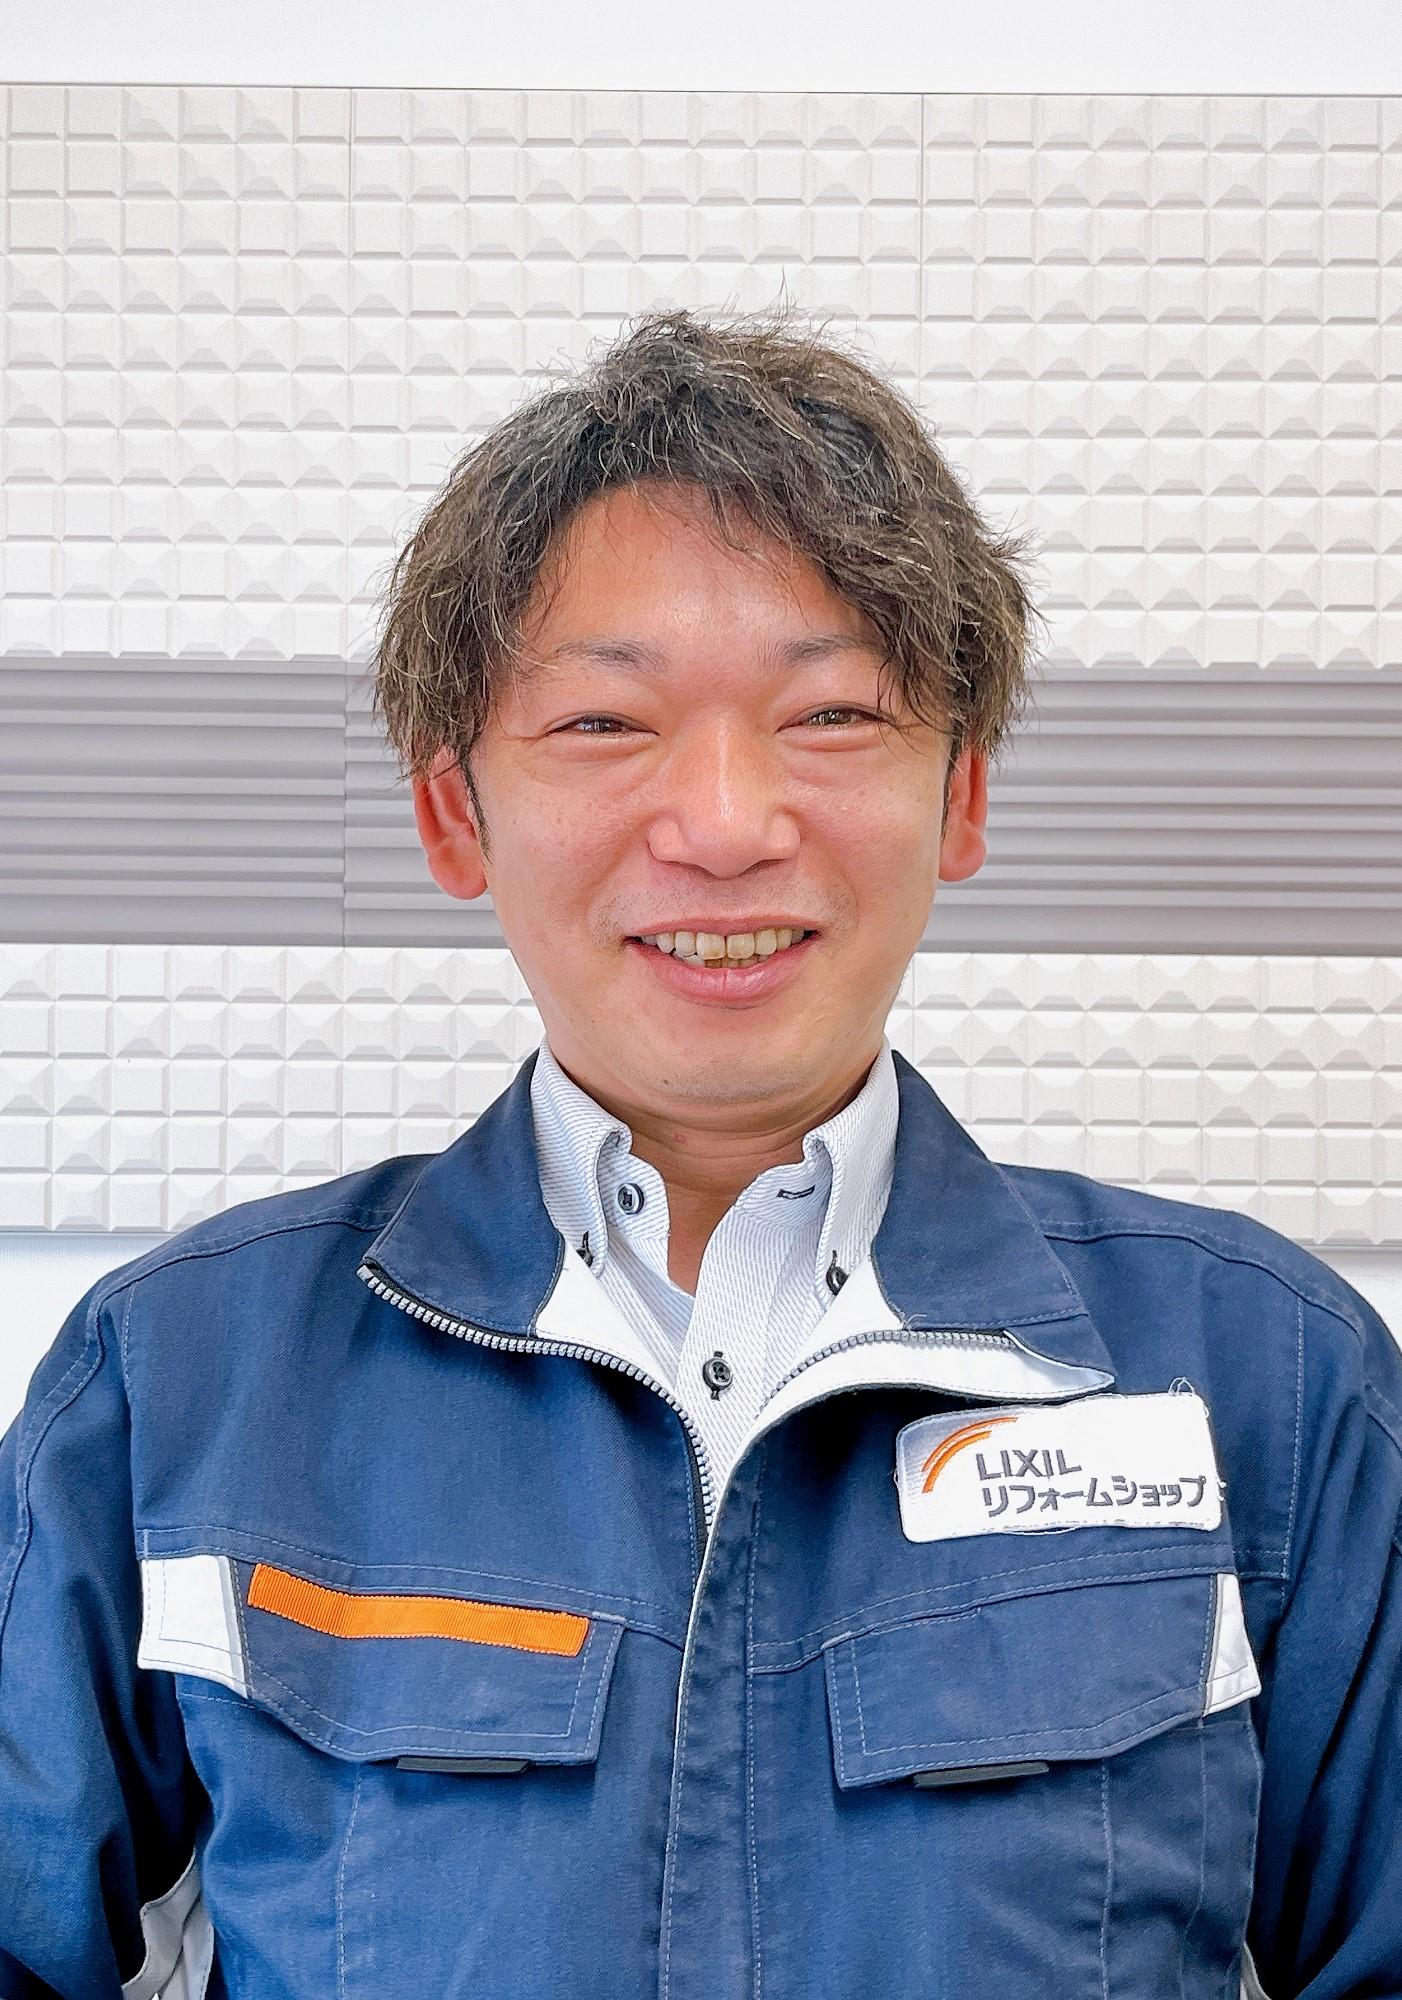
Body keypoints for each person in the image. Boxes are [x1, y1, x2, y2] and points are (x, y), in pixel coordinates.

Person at [1, 307, 1398, 2000]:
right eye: (605, 722)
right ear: (453, 813)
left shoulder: (1267, 1378)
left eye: (832, 714)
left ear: (960, 796)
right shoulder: (183, 1384)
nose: (726, 823)